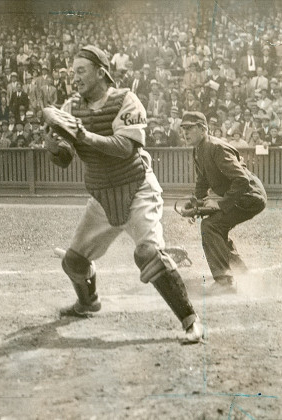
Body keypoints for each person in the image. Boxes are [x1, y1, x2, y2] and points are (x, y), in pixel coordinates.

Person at [45, 45, 203, 343]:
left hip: (136, 188)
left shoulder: (125, 99)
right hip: (102, 196)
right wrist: (54, 147)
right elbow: (64, 158)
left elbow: (125, 148)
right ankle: (87, 303)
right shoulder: (70, 107)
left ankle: (191, 320)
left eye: (81, 70)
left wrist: (83, 135)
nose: (74, 77)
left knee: (147, 254)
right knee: (74, 263)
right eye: (71, 71)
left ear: (101, 72)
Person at [179, 112, 267, 294]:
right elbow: (203, 180)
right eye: (183, 128)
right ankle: (240, 271)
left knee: (211, 226)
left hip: (250, 196)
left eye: (190, 128)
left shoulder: (216, 147)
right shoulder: (199, 149)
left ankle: (224, 281)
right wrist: (196, 202)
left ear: (203, 129)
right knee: (216, 227)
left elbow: (241, 180)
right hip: (241, 195)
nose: (185, 132)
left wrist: (221, 204)